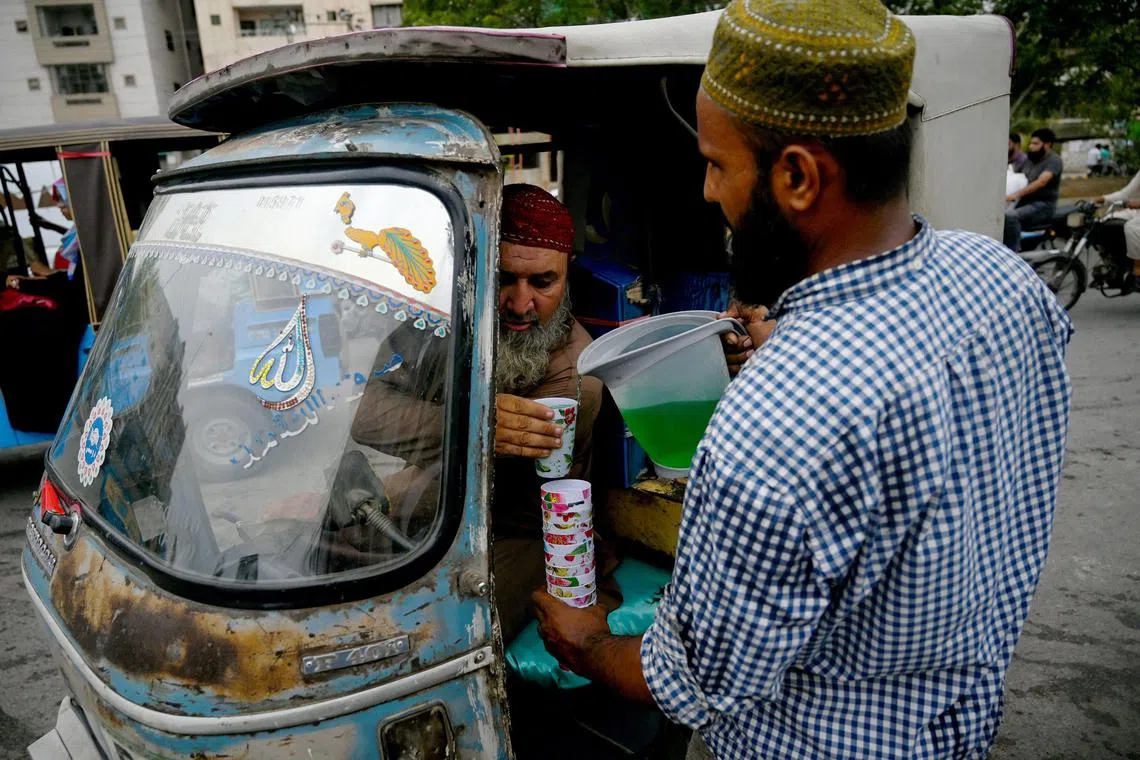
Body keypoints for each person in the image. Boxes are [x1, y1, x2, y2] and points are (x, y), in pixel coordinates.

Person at [532, 1, 1073, 758]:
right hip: (955, 729)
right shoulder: (1000, 279)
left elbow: (698, 680)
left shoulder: (779, 412)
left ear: (797, 177)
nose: (708, 191)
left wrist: (586, 642)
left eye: (717, 164)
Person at [352, 183, 605, 640]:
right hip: (429, 513)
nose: (520, 304)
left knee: (440, 632)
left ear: (567, 277)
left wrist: (467, 433)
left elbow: (479, 483)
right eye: (502, 277)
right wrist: (476, 423)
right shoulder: (438, 322)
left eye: (542, 283)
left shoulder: (576, 378)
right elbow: (366, 414)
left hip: (516, 534)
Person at [1003, 127, 1064, 251]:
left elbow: (1041, 182)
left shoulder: (1054, 161)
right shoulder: (1030, 160)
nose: (1031, 146)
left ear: (1047, 145)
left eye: (1035, 143)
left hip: (1043, 205)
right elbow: (1014, 176)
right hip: (1025, 203)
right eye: (1031, 143)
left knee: (1010, 216)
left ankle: (1013, 252)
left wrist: (1016, 195)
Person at [1096, 170, 1140, 279]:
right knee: (1105, 220)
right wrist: (1103, 199)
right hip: (1137, 212)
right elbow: (1125, 194)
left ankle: (1138, 267)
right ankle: (1116, 261)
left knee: (1131, 227)